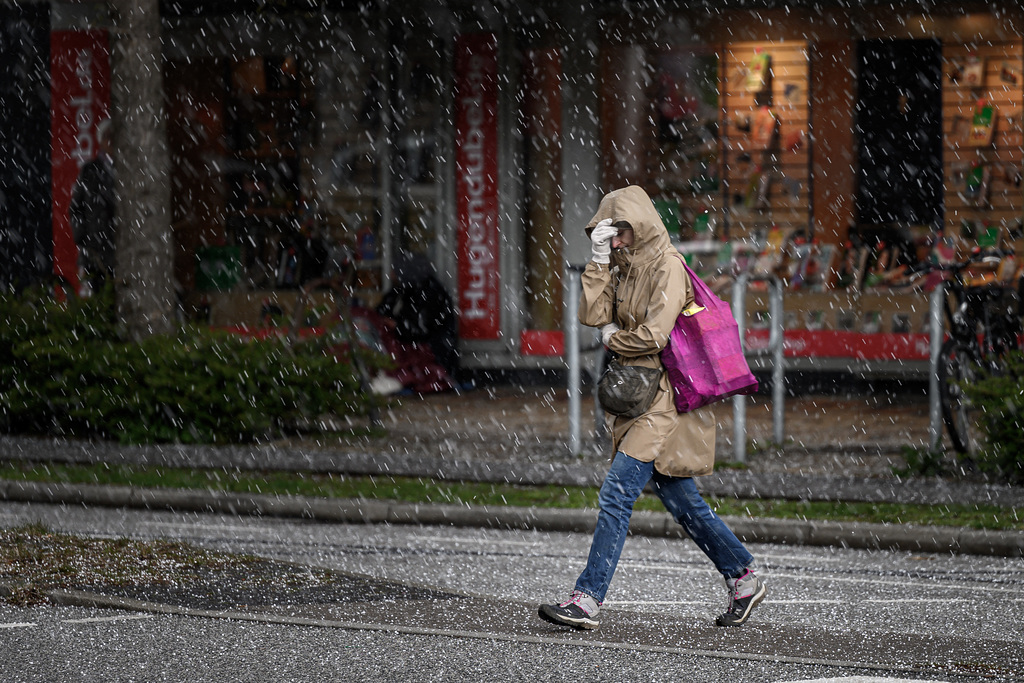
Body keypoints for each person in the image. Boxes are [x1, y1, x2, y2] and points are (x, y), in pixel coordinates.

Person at [538, 185, 767, 631]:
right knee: (682, 502)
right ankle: (743, 576)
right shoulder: (621, 264)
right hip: (636, 393)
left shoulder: (667, 265)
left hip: (661, 396)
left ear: (638, 225)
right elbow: (591, 311)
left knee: (617, 493)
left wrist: (612, 338)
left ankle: (586, 599)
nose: (615, 240)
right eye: (608, 234)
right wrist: (600, 259)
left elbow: (654, 335)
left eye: (618, 232)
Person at [70, 119, 116, 292]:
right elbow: (76, 208)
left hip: (123, 253)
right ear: (100, 141)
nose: (110, 140)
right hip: (96, 254)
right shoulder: (89, 171)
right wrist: (84, 237)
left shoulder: (129, 170)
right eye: (106, 136)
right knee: (101, 304)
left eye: (113, 136)